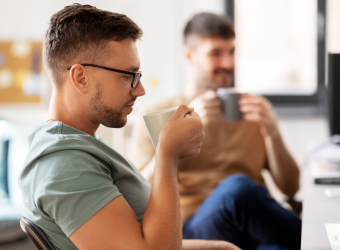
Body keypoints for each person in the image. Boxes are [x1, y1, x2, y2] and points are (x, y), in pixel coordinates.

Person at [19, 5, 240, 250]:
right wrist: (167, 153)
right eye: (127, 75)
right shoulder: (66, 165)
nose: (140, 90)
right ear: (81, 77)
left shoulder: (79, 146)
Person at [131, 12, 302, 250]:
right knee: (237, 188)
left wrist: (272, 133)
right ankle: (320, 237)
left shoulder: (253, 111)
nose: (228, 63)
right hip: (194, 227)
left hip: (251, 228)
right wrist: (176, 136)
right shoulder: (157, 114)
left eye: (231, 52)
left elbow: (291, 187)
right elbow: (137, 193)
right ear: (189, 55)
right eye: (215, 53)